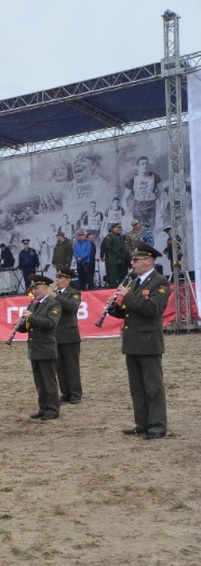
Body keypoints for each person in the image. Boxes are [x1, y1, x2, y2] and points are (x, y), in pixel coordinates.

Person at [107, 242, 170, 439]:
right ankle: (142, 423)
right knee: (137, 387)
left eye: (136, 260)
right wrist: (115, 308)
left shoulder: (160, 282)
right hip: (133, 341)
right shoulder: (135, 282)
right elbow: (131, 311)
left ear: (148, 261)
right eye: (132, 260)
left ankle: (157, 425)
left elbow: (152, 309)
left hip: (149, 341)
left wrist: (126, 297)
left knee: (153, 387)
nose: (132, 263)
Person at [16, 275, 62, 420]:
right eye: (33, 289)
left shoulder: (53, 304)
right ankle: (43, 407)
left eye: (36, 288)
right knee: (39, 382)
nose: (34, 291)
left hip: (46, 347)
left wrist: (31, 317)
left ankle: (53, 409)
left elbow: (50, 323)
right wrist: (20, 325)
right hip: (35, 347)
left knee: (49, 381)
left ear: (45, 288)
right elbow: (29, 326)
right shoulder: (33, 305)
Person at [50, 266, 83, 404]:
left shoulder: (74, 293)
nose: (57, 280)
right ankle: (65, 394)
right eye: (57, 277)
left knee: (72, 367)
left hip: (69, 335)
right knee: (60, 368)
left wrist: (55, 296)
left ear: (68, 280)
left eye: (60, 278)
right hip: (56, 335)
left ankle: (75, 394)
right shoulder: (54, 293)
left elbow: (71, 306)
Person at [123, 156, 163, 228]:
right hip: (138, 207)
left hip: (151, 206)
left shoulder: (155, 177)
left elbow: (161, 192)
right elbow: (124, 198)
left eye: (146, 164)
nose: (145, 166)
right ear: (138, 166)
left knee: (150, 229)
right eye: (142, 164)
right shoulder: (133, 180)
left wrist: (162, 205)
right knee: (141, 229)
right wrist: (126, 208)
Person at [100, 223, 128, 287]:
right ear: (113, 228)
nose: (119, 229)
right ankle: (113, 286)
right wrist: (102, 256)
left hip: (120, 259)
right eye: (117, 228)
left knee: (122, 274)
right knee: (113, 274)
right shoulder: (109, 237)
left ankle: (121, 285)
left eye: (120, 228)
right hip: (113, 259)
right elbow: (107, 246)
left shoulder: (120, 237)